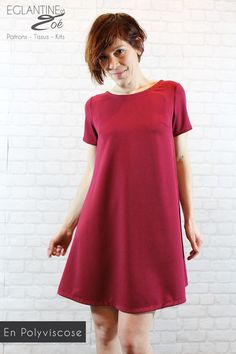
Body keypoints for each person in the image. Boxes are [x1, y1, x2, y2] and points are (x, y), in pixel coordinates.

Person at [47, 12, 204, 354]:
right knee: (104, 332)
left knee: (133, 340)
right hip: (100, 223)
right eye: (103, 57)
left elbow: (180, 160)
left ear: (137, 46)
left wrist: (189, 219)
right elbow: (91, 172)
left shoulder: (170, 94)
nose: (112, 63)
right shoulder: (95, 107)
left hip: (149, 228)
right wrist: (68, 226)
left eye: (118, 51)